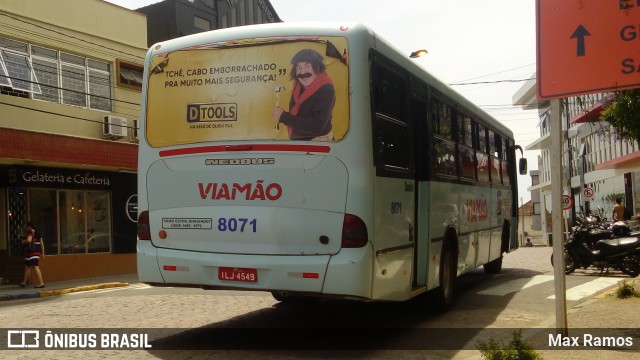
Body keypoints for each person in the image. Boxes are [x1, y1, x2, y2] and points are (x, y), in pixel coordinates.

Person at [273, 48, 335, 141]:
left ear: (317, 67)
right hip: (301, 142)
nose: (302, 72)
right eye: (299, 67)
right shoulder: (298, 85)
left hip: (318, 142)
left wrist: (284, 117)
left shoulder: (326, 89)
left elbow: (317, 126)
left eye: (307, 66)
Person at [19, 222, 45, 288]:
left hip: (31, 252)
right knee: (28, 267)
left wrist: (23, 241)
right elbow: (41, 243)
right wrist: (43, 253)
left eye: (27, 226)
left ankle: (41, 283)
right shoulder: (38, 233)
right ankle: (24, 282)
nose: (27, 228)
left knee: (35, 267)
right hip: (37, 252)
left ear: (30, 227)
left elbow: (29, 240)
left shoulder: (29, 232)